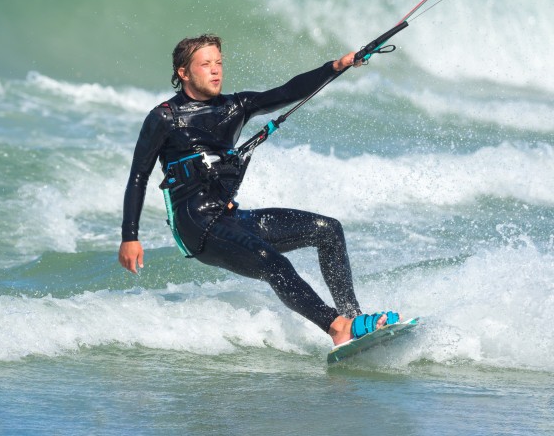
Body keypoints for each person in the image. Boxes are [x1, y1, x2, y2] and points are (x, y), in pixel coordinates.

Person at [118, 34, 400, 346]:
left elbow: (287, 92)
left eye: (219, 63)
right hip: (196, 225)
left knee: (329, 230)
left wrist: (338, 65)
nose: (215, 71)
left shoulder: (235, 107)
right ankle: (336, 327)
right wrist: (130, 236)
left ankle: (353, 320)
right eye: (205, 64)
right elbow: (138, 176)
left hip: (229, 218)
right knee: (272, 261)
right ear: (183, 73)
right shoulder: (164, 117)